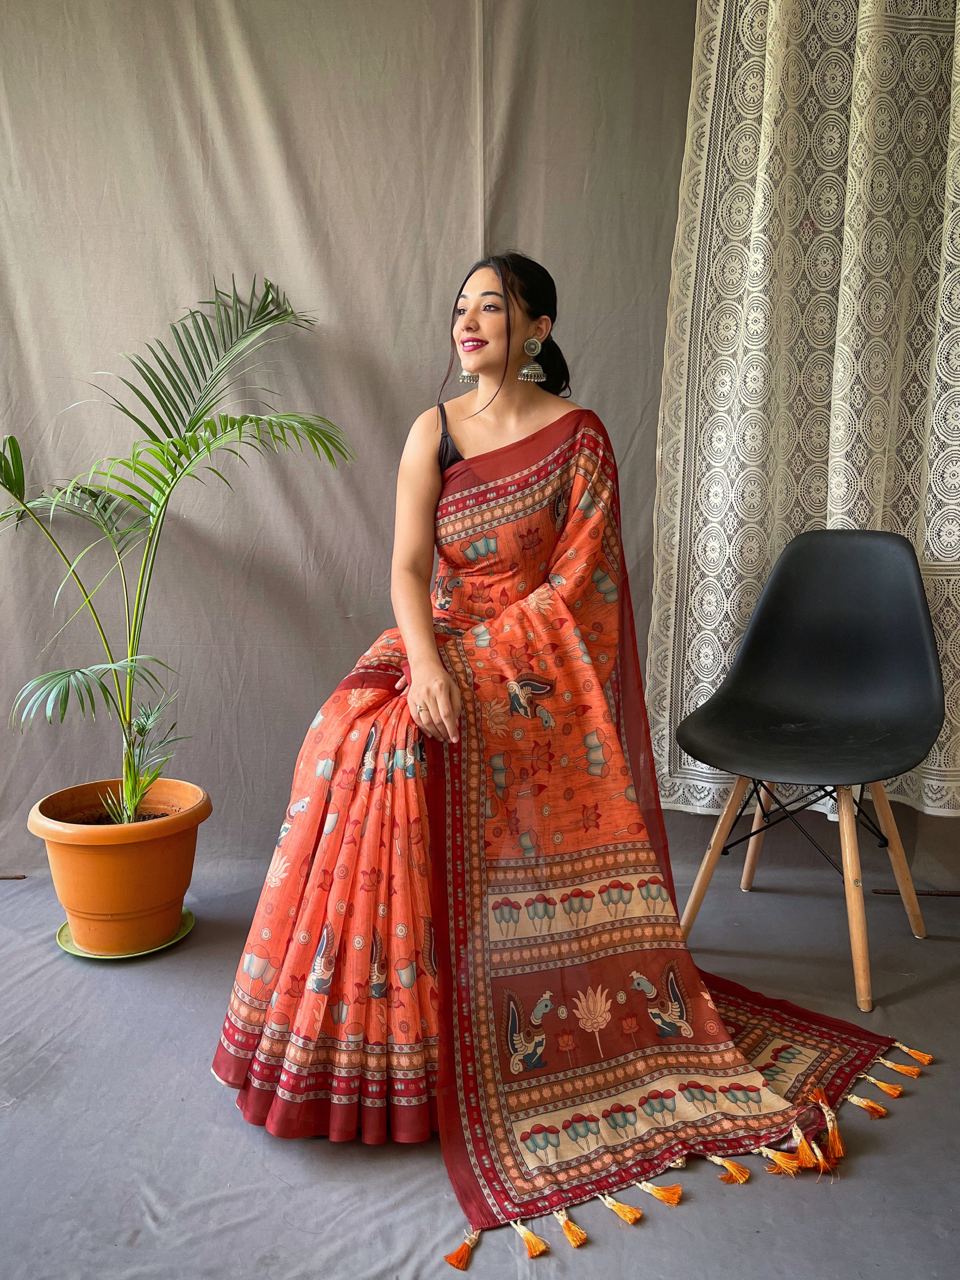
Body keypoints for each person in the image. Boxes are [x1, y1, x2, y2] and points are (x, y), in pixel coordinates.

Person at [211, 252, 931, 1268]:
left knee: (417, 750)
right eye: (460, 307)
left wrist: (482, 666)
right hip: (437, 641)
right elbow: (408, 568)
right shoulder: (435, 429)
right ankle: (369, 1044)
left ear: (538, 327)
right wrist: (424, 663)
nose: (469, 323)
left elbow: (581, 590)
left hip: (534, 666)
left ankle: (453, 1037)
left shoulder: (577, 439)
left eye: (491, 307)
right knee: (347, 741)